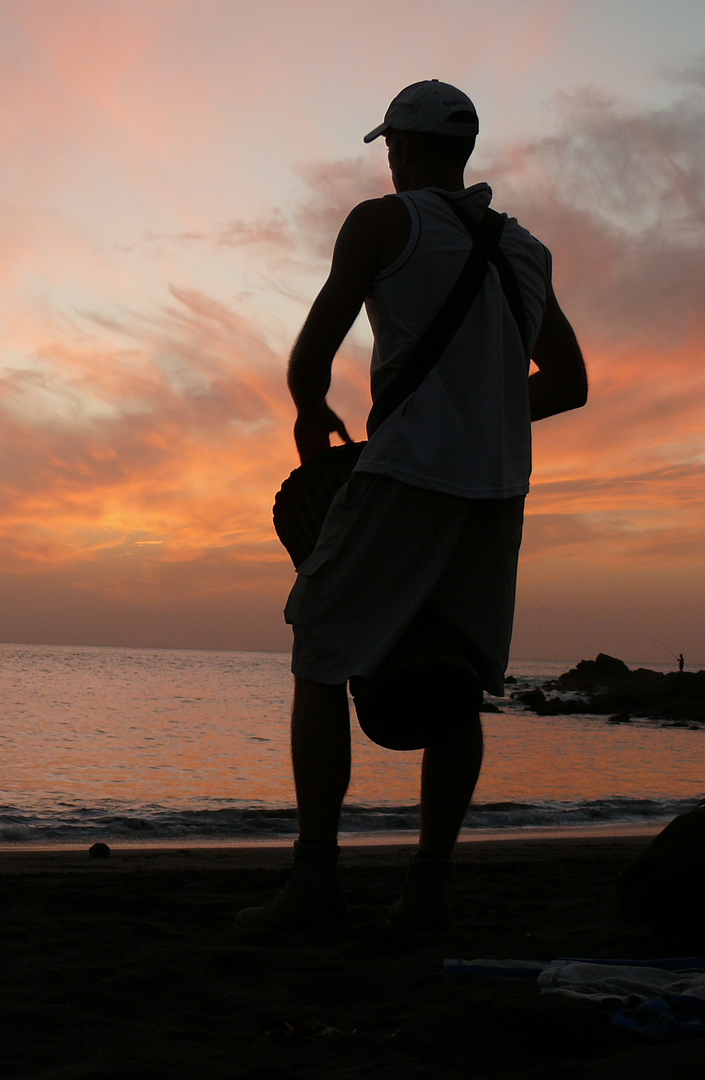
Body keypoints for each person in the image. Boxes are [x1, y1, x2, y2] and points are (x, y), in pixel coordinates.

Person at [239, 80, 588, 932]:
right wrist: (486, 412)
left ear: (403, 148)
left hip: (404, 479)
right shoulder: (527, 251)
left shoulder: (383, 222)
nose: (388, 161)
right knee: (457, 686)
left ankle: (315, 881)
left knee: (320, 648)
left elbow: (314, 354)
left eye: (391, 146)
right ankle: (428, 890)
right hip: (498, 493)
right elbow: (569, 385)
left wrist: (308, 410)